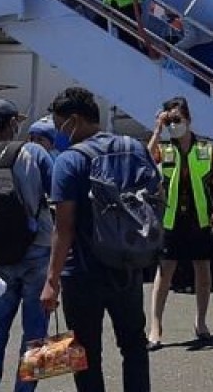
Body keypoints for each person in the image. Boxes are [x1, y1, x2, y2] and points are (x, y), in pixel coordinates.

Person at [41, 87, 153, 392]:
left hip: (83, 270)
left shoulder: (69, 161)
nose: (57, 131)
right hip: (128, 262)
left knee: (85, 353)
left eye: (58, 123)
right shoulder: (134, 148)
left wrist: (51, 280)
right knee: (134, 345)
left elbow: (63, 227)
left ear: (73, 121)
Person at [0, 99, 54, 392]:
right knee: (35, 330)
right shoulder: (33, 152)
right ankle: (24, 389)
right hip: (36, 253)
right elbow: (55, 193)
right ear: (12, 124)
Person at [145, 97, 213, 349]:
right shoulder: (165, 146)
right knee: (165, 271)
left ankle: (201, 321)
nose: (174, 125)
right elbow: (145, 161)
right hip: (171, 218)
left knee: (203, 270)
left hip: (199, 217)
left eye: (177, 120)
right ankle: (155, 326)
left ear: (189, 120)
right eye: (170, 120)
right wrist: (158, 130)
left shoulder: (206, 147)